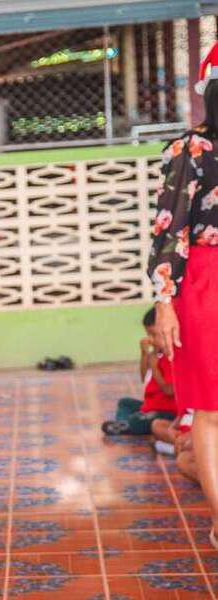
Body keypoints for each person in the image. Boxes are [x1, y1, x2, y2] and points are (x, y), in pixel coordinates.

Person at [150, 42, 218, 551]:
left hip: (204, 284)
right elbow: (170, 230)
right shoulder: (191, 150)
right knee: (211, 413)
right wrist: (165, 301)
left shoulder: (192, 150)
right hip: (205, 282)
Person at [101, 307, 176, 436]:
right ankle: (125, 424)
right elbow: (144, 378)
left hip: (167, 411)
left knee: (145, 420)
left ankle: (128, 425)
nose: (150, 339)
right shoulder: (158, 354)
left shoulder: (172, 357)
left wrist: (155, 368)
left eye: (154, 335)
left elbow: (169, 390)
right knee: (124, 403)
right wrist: (144, 354)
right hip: (150, 406)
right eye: (148, 334)